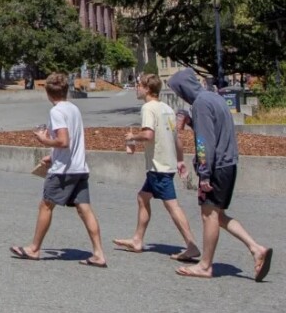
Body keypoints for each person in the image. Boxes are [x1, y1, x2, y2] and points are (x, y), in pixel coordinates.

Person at [168, 68, 274, 281]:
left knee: (209, 215)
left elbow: (204, 141)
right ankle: (256, 248)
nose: (179, 95)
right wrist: (189, 121)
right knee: (218, 215)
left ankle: (205, 265)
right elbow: (213, 129)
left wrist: (204, 174)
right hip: (228, 163)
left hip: (216, 167)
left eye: (178, 91)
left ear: (183, 88)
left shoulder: (200, 104)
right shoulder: (213, 98)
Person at [10, 72, 108, 268]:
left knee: (46, 205)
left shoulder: (56, 112)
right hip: (79, 167)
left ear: (47, 92)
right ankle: (98, 253)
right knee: (84, 208)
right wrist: (52, 155)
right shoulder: (74, 109)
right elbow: (70, 141)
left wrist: (43, 139)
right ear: (66, 91)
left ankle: (34, 249)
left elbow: (64, 141)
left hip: (64, 171)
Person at [111, 73, 200, 261]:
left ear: (147, 88)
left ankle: (191, 245)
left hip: (159, 166)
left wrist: (131, 137)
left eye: (138, 85)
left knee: (172, 205)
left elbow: (148, 135)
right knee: (143, 197)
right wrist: (180, 160)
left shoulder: (148, 108)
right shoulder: (167, 108)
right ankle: (137, 239)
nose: (136, 87)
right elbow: (177, 138)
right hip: (164, 164)